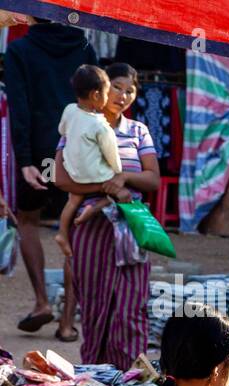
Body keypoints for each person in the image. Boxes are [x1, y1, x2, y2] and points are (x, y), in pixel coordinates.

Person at [54, 62, 159, 368]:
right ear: (99, 89)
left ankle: (129, 380)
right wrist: (106, 185)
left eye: (130, 90)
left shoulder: (138, 131)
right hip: (91, 225)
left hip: (130, 223)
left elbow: (152, 178)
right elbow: (61, 178)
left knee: (131, 307)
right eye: (117, 87)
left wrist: (123, 179)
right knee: (94, 306)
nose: (123, 95)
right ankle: (98, 377)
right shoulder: (79, 125)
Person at [4, 18, 96, 339]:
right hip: (77, 150)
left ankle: (42, 301)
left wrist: (26, 160)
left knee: (28, 221)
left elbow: (19, 107)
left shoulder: (19, 50)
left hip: (41, 150)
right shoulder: (85, 47)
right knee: (72, 230)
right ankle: (67, 323)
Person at [55, 64, 129, 259]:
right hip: (93, 177)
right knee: (118, 192)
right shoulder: (100, 125)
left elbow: (62, 131)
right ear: (96, 95)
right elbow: (112, 154)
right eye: (106, 93)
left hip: (72, 172)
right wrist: (118, 173)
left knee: (72, 201)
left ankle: (62, 232)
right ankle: (92, 210)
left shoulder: (69, 110)